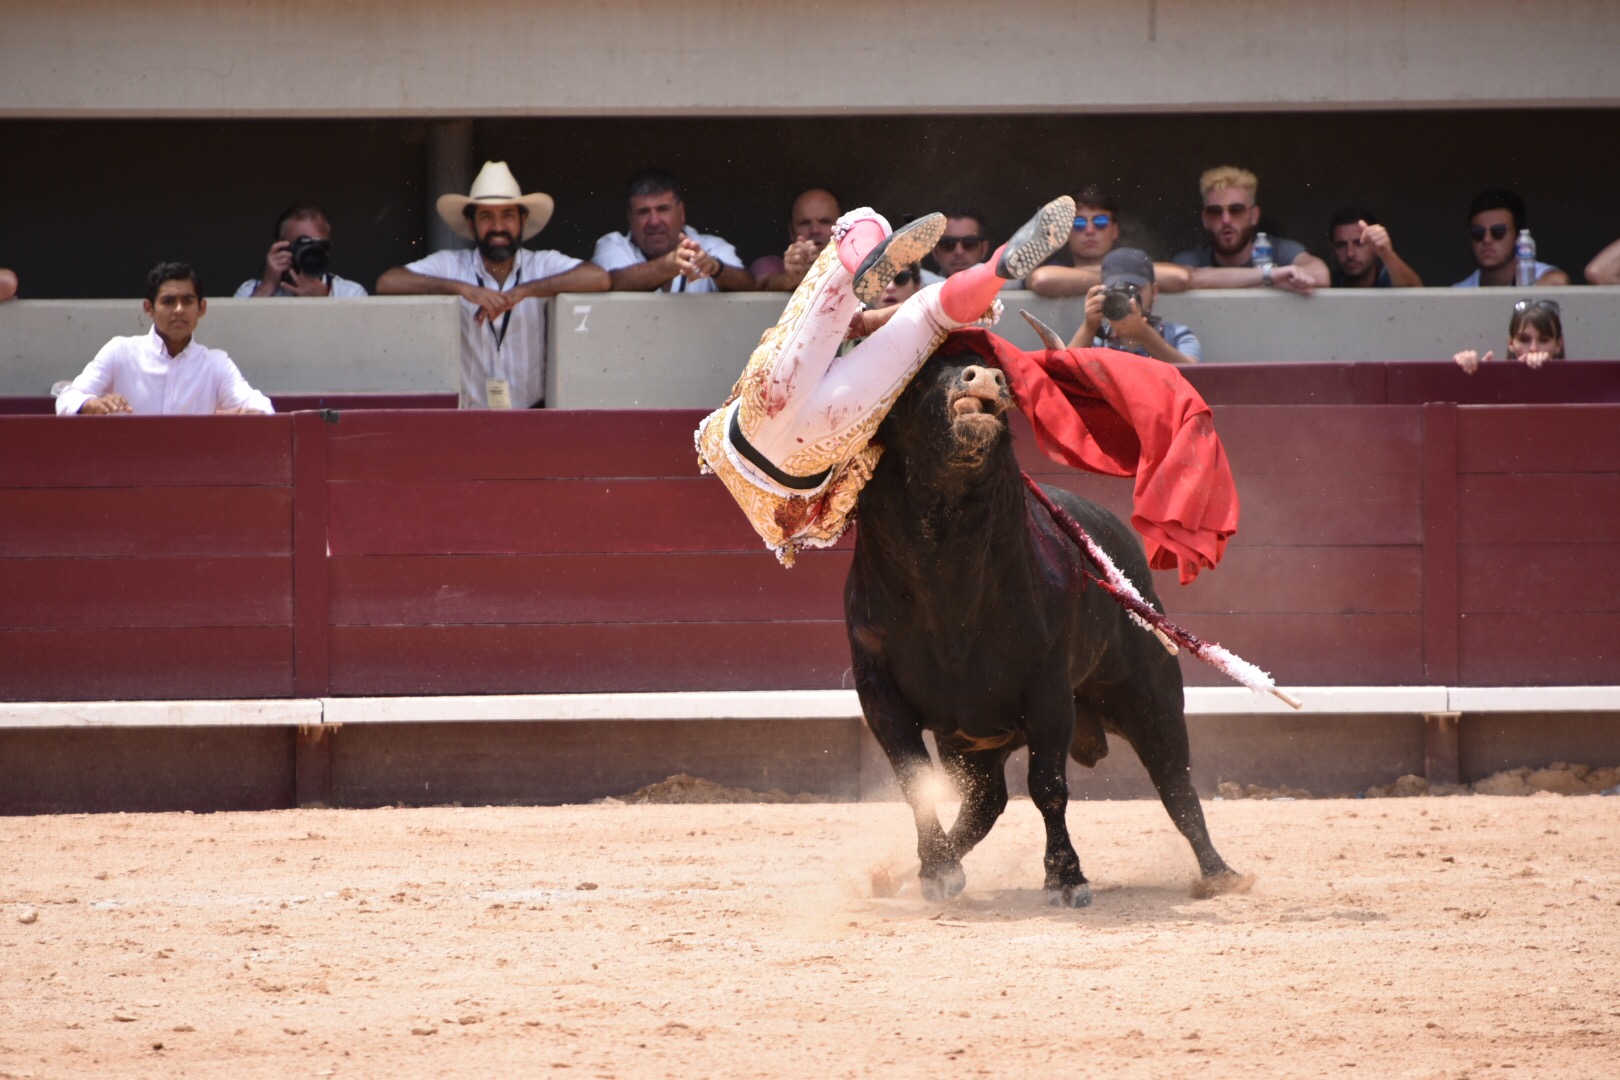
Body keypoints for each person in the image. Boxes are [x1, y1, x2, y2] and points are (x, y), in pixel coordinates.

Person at [695, 196, 1076, 565]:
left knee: (863, 222)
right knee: (932, 312)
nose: (891, 286)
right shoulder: (911, 350)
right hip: (812, 455)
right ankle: (993, 270)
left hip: (753, 420)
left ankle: (867, 252)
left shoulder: (863, 327)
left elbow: (858, 325)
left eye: (901, 276)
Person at [377, 160, 609, 409]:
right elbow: (388, 282)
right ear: (471, 224)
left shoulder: (541, 265)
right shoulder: (451, 266)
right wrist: (465, 290)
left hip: (532, 415)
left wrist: (523, 291)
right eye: (486, 216)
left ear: (523, 220)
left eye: (508, 215)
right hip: (469, 419)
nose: (498, 227)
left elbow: (598, 278)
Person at [57, 262, 273, 416]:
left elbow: (262, 406)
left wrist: (250, 415)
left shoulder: (215, 364)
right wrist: (91, 403)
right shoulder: (120, 352)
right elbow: (67, 399)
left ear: (201, 308)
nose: (179, 310)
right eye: (168, 301)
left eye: (187, 301)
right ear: (148, 308)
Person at [593, 169, 754, 293]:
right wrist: (669, 264)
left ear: (681, 212)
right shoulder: (612, 245)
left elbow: (750, 286)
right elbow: (612, 282)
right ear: (629, 217)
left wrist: (716, 268)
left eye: (663, 209)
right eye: (643, 212)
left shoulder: (712, 246)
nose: (654, 221)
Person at [1172, 166, 1329, 293]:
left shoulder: (1279, 250)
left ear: (1254, 215)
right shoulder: (1193, 258)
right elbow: (1183, 278)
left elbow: (1320, 275)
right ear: (1205, 219)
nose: (1226, 220)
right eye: (1215, 211)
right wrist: (1271, 276)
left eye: (1236, 210)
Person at [1027, 186, 1190, 297]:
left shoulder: (1131, 263)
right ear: (1066, 233)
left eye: (1100, 222)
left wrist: (1105, 274)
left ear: (1114, 230)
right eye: (1078, 223)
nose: (1089, 230)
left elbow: (1179, 277)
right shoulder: (1056, 266)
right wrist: (1126, 278)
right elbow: (1041, 279)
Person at [1066, 248, 1200, 365]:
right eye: (1117, 290)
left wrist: (1143, 334)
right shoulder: (1096, 341)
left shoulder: (1176, 335)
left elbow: (1194, 376)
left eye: (1134, 289)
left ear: (1154, 291)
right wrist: (1089, 326)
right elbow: (1062, 373)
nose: (1128, 298)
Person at [234, 203, 368, 298]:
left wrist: (324, 301)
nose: (308, 252)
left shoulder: (350, 294)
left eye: (317, 245)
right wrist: (267, 287)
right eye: (300, 245)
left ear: (329, 248)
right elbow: (236, 328)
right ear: (279, 247)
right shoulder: (249, 291)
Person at [1453, 189, 1569, 287]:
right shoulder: (1459, 292)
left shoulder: (1540, 276)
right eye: (1478, 232)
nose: (1487, 240)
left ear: (1518, 236)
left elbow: (1558, 280)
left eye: (1498, 231)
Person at [750, 187, 842, 291]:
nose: (814, 230)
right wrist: (791, 278)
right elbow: (763, 285)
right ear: (791, 231)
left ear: (842, 227)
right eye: (805, 223)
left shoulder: (855, 263)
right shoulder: (768, 264)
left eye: (825, 222)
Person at [1453, 298, 1566, 374]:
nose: (1533, 348)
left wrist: (1547, 374)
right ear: (1511, 343)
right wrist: (1470, 375)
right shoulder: (1494, 383)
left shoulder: (1572, 385)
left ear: (1558, 345)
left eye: (1543, 340)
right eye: (1524, 340)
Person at [1326, 207, 1422, 288]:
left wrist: (1387, 254)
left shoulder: (1390, 279)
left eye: (1359, 243)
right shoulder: (1329, 283)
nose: (1350, 254)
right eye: (1341, 245)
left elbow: (1415, 293)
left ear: (1374, 245)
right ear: (1331, 249)